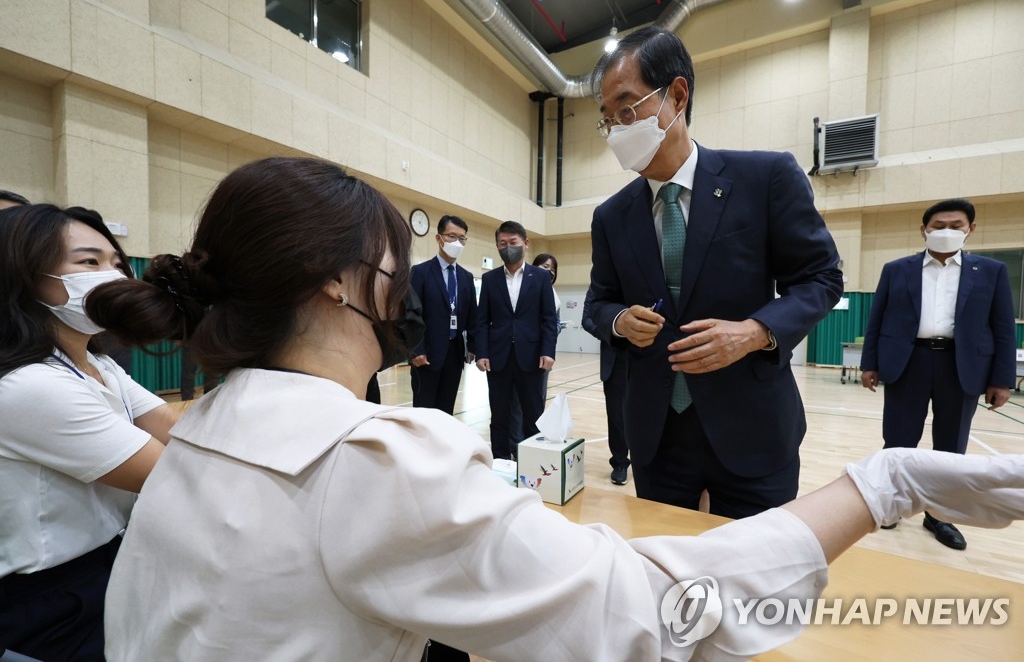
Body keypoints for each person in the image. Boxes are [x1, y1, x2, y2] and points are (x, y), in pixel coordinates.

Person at [87, 157, 1024, 661]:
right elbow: (656, 616)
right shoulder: (372, 459)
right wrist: (880, 482)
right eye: (394, 256)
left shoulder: (197, 429)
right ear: (340, 284)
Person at [587, 27, 843, 518]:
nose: (617, 129)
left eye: (626, 109)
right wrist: (620, 321)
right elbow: (598, 303)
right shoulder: (610, 216)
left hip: (751, 426)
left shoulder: (765, 178)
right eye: (607, 120)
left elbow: (821, 278)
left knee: (756, 575)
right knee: (668, 575)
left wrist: (755, 331)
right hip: (657, 435)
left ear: (676, 96)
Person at [0, 204, 176, 660]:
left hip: (113, 559)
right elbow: (174, 471)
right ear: (23, 274)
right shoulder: (30, 384)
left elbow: (175, 430)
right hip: (53, 598)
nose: (113, 277)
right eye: (89, 262)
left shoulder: (96, 363)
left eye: (116, 263)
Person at [860, 198, 1016, 550]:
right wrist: (870, 363)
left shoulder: (991, 272)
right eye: (938, 226)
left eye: (956, 226)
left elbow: (1003, 328)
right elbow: (877, 320)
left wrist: (1001, 379)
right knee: (898, 441)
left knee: (951, 447)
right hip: (908, 362)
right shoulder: (896, 269)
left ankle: (940, 515)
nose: (946, 231)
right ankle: (893, 506)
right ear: (924, 230)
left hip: (962, 366)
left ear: (970, 230)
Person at [475, 221, 558, 459]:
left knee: (533, 416)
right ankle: (500, 462)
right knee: (499, 416)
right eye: (503, 243)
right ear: (497, 246)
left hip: (531, 358)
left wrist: (548, 351)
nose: (508, 247)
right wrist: (481, 352)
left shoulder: (540, 277)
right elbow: (482, 321)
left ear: (525, 244)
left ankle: (533, 462)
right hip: (498, 359)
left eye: (513, 242)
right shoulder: (490, 279)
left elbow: (549, 319)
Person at [408, 215, 477, 415]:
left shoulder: (466, 277)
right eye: (452, 236)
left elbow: (473, 315)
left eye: (462, 238)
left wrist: (472, 347)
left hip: (454, 357)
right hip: (426, 356)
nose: (457, 242)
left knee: (445, 412)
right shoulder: (420, 272)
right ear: (439, 238)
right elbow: (410, 313)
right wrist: (415, 351)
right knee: (424, 414)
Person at [508, 253, 561, 443]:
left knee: (536, 403)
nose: (549, 272)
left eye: (552, 269)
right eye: (545, 266)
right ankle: (515, 444)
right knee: (515, 405)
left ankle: (533, 443)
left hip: (541, 358)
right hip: (519, 354)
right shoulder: (524, 289)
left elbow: (553, 324)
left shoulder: (554, 297)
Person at [582, 287, 631, 485]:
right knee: (617, 417)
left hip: (649, 357)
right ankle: (620, 463)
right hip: (615, 358)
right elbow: (587, 319)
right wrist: (613, 333)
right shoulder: (600, 285)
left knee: (650, 415)